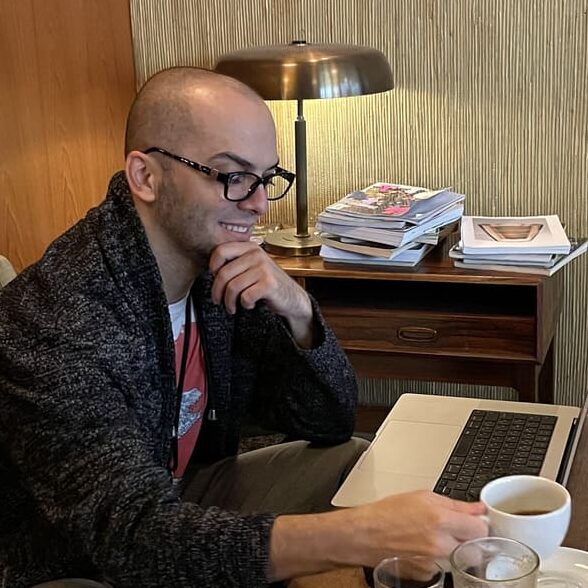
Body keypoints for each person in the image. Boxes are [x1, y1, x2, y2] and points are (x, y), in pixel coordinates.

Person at [0, 67, 488, 588]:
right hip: (78, 558)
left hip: (181, 494)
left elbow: (328, 420)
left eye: (266, 178)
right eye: (232, 175)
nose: (256, 203)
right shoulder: (55, 318)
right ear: (145, 177)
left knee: (346, 456)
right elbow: (133, 538)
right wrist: (362, 535)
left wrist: (297, 308)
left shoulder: (220, 267)